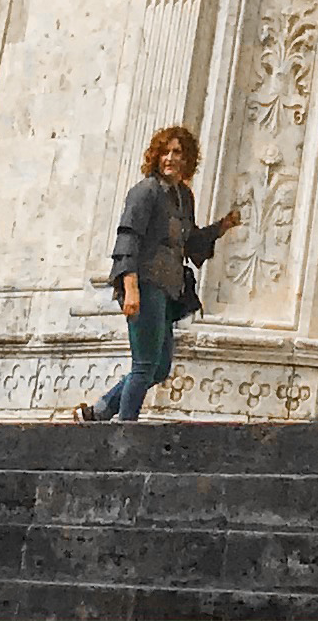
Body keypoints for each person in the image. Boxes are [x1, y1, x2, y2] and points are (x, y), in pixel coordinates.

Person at [77, 128, 237, 424]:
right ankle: (124, 431)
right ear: (155, 156)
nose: (171, 158)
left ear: (187, 159)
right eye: (165, 152)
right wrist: (131, 289)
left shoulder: (183, 197)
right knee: (144, 365)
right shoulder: (145, 192)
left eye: (178, 152)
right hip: (144, 283)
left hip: (167, 287)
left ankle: (99, 411)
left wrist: (222, 227)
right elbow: (127, 241)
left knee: (160, 367)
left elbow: (189, 242)